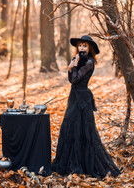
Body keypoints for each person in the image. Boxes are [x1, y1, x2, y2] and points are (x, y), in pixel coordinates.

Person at [52, 35, 120, 178]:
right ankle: (69, 162)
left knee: (86, 131)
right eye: (80, 46)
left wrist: (74, 66)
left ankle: (87, 165)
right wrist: (70, 68)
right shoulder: (76, 59)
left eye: (85, 46)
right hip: (74, 97)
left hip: (83, 99)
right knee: (70, 127)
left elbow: (76, 79)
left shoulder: (89, 62)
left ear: (89, 48)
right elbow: (71, 80)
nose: (82, 48)